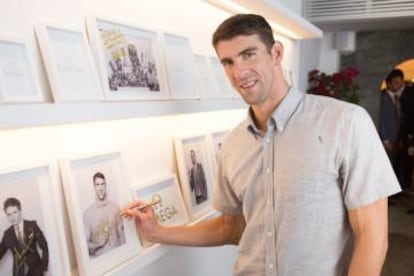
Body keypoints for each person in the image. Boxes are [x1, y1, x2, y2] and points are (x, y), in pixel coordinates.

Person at [122, 14, 401, 275]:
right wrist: (158, 232)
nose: (239, 71)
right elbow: (230, 228)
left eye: (248, 54)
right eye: (228, 62)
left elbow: (372, 236)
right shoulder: (231, 145)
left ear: (276, 53)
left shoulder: (346, 122)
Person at [378, 69, 414, 192]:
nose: (399, 85)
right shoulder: (383, 97)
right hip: (388, 139)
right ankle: (383, 194)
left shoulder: (397, 98)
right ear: (388, 83)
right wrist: (385, 139)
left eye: (400, 82)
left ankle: (390, 193)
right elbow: (381, 119)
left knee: (392, 167)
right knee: (384, 166)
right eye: (396, 82)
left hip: (396, 139)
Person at [0, 197, 49, 276]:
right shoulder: (7, 234)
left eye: (15, 212)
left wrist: (43, 267)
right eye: (9, 214)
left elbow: (44, 246)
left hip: (36, 271)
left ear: (20, 211)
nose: (12, 217)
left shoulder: (32, 225)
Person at [83, 172, 125, 257]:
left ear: (106, 186)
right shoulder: (88, 214)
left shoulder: (115, 207)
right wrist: (98, 244)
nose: (101, 188)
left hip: (120, 256)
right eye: (97, 184)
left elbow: (122, 233)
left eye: (103, 184)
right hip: (102, 262)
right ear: (94, 187)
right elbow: (84, 245)